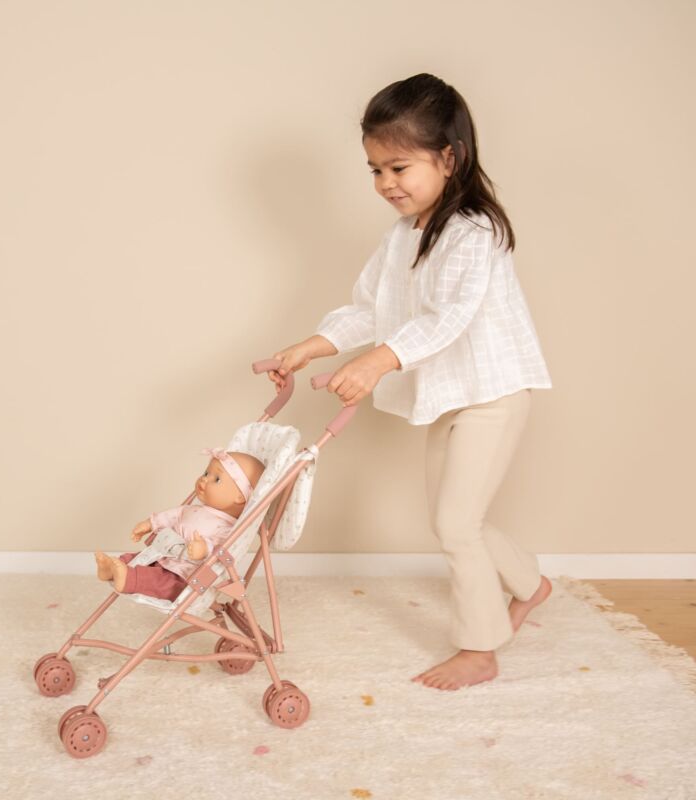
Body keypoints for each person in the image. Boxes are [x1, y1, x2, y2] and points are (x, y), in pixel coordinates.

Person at [268, 73, 552, 690]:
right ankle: (531, 585)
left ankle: (480, 648)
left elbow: (449, 318)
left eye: (399, 168)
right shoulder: (402, 237)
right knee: (454, 520)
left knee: (456, 524)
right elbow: (372, 309)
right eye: (375, 170)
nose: (385, 183)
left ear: (449, 158)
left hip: (494, 394)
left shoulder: (475, 232)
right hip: (450, 395)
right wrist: (313, 346)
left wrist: (376, 363)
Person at [94, 449, 264, 601]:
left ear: (239, 497)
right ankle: (110, 570)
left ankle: (127, 578)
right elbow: (170, 516)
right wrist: (150, 524)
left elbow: (222, 549)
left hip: (183, 574)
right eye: (206, 473)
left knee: (160, 581)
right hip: (160, 556)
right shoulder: (191, 509)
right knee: (135, 558)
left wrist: (203, 549)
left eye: (216, 479)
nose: (204, 479)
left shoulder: (227, 527)